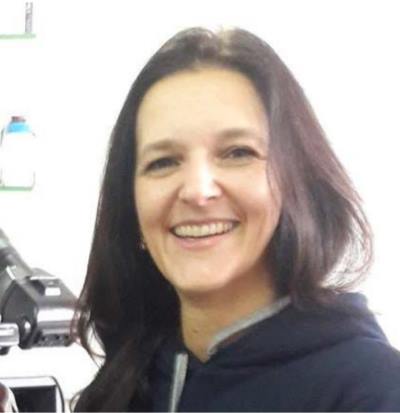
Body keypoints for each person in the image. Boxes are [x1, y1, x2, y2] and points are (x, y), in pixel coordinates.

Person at [73, 27, 400, 411]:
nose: (197, 190)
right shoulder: (125, 382)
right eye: (163, 162)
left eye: (237, 153)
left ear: (295, 181)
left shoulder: (371, 390)